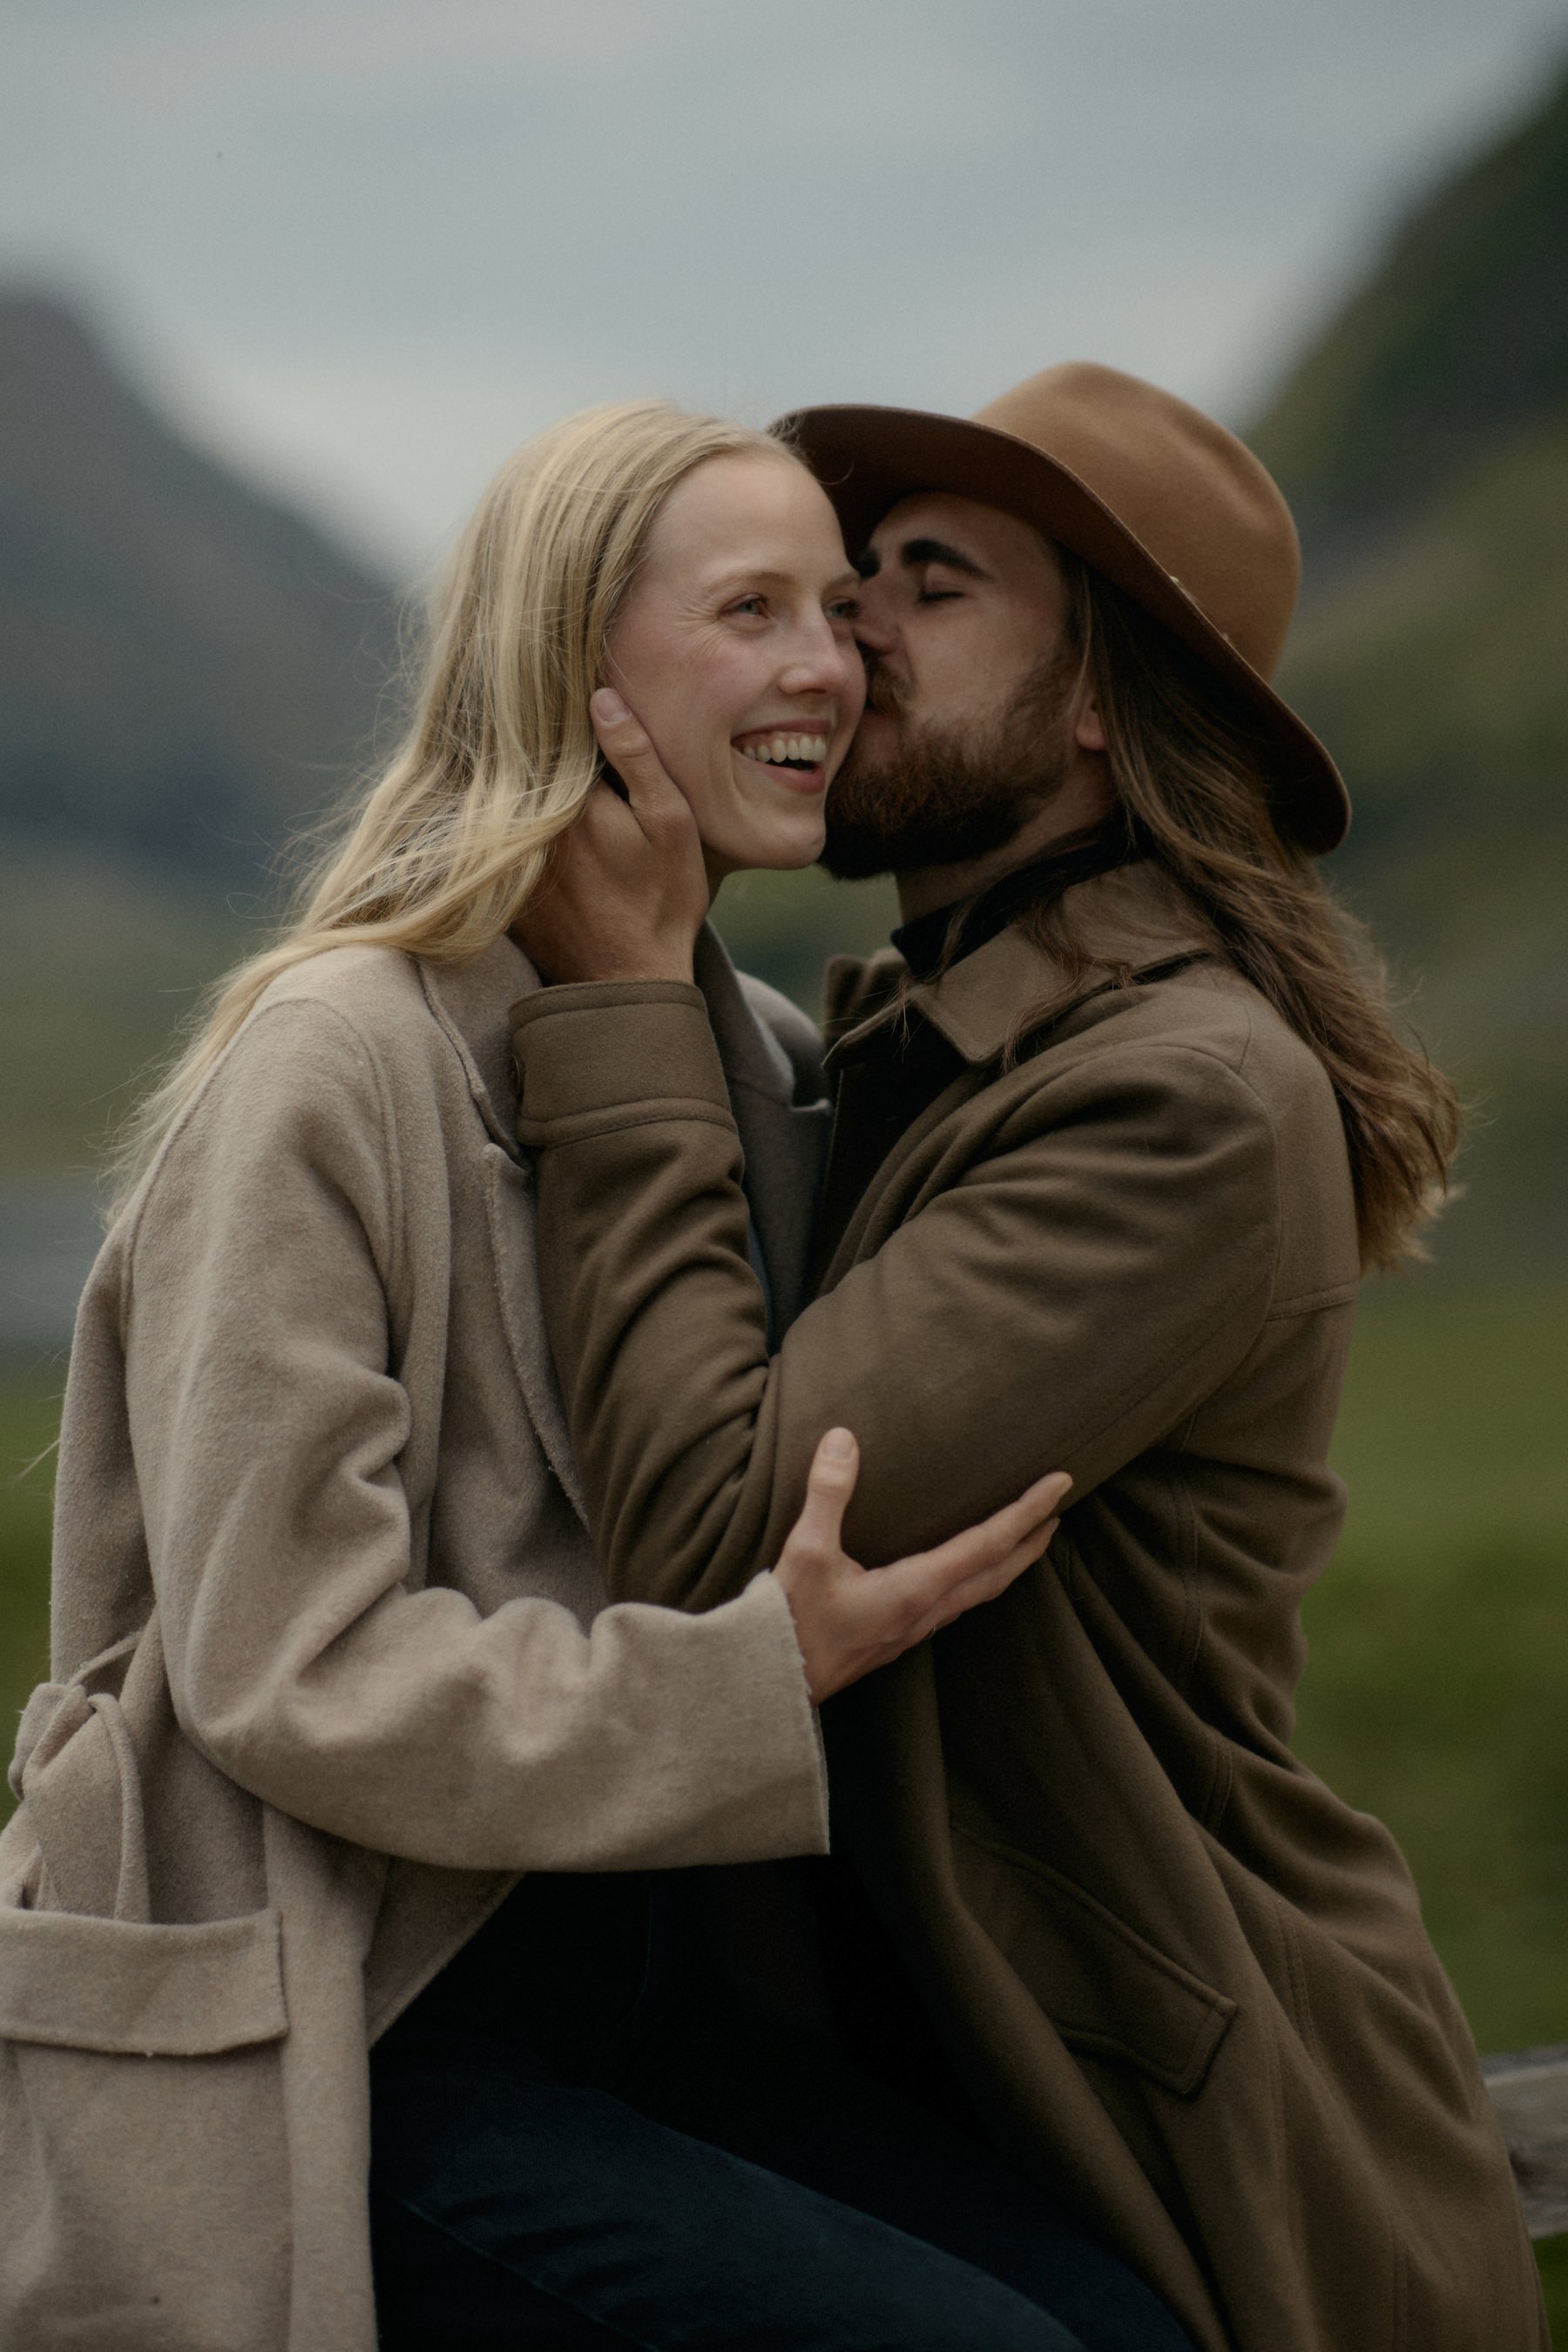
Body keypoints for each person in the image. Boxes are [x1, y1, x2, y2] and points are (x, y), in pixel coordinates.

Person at [0, 401, 1100, 2352]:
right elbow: (290, 1667)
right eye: (750, 609)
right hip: (349, 2038)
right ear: (571, 668)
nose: (825, 669)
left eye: (840, 614)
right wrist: (759, 1675)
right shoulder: (331, 1064)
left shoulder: (752, 1054)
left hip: (635, 2012)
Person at [510, 364, 1550, 2352]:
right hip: (930, 2095)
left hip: (1156, 2121)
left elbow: (722, 1546)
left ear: (1098, 705)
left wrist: (634, 998)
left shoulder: (1180, 1099)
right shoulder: (922, 1036)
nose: (846, 629)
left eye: (929, 582)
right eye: (835, 581)